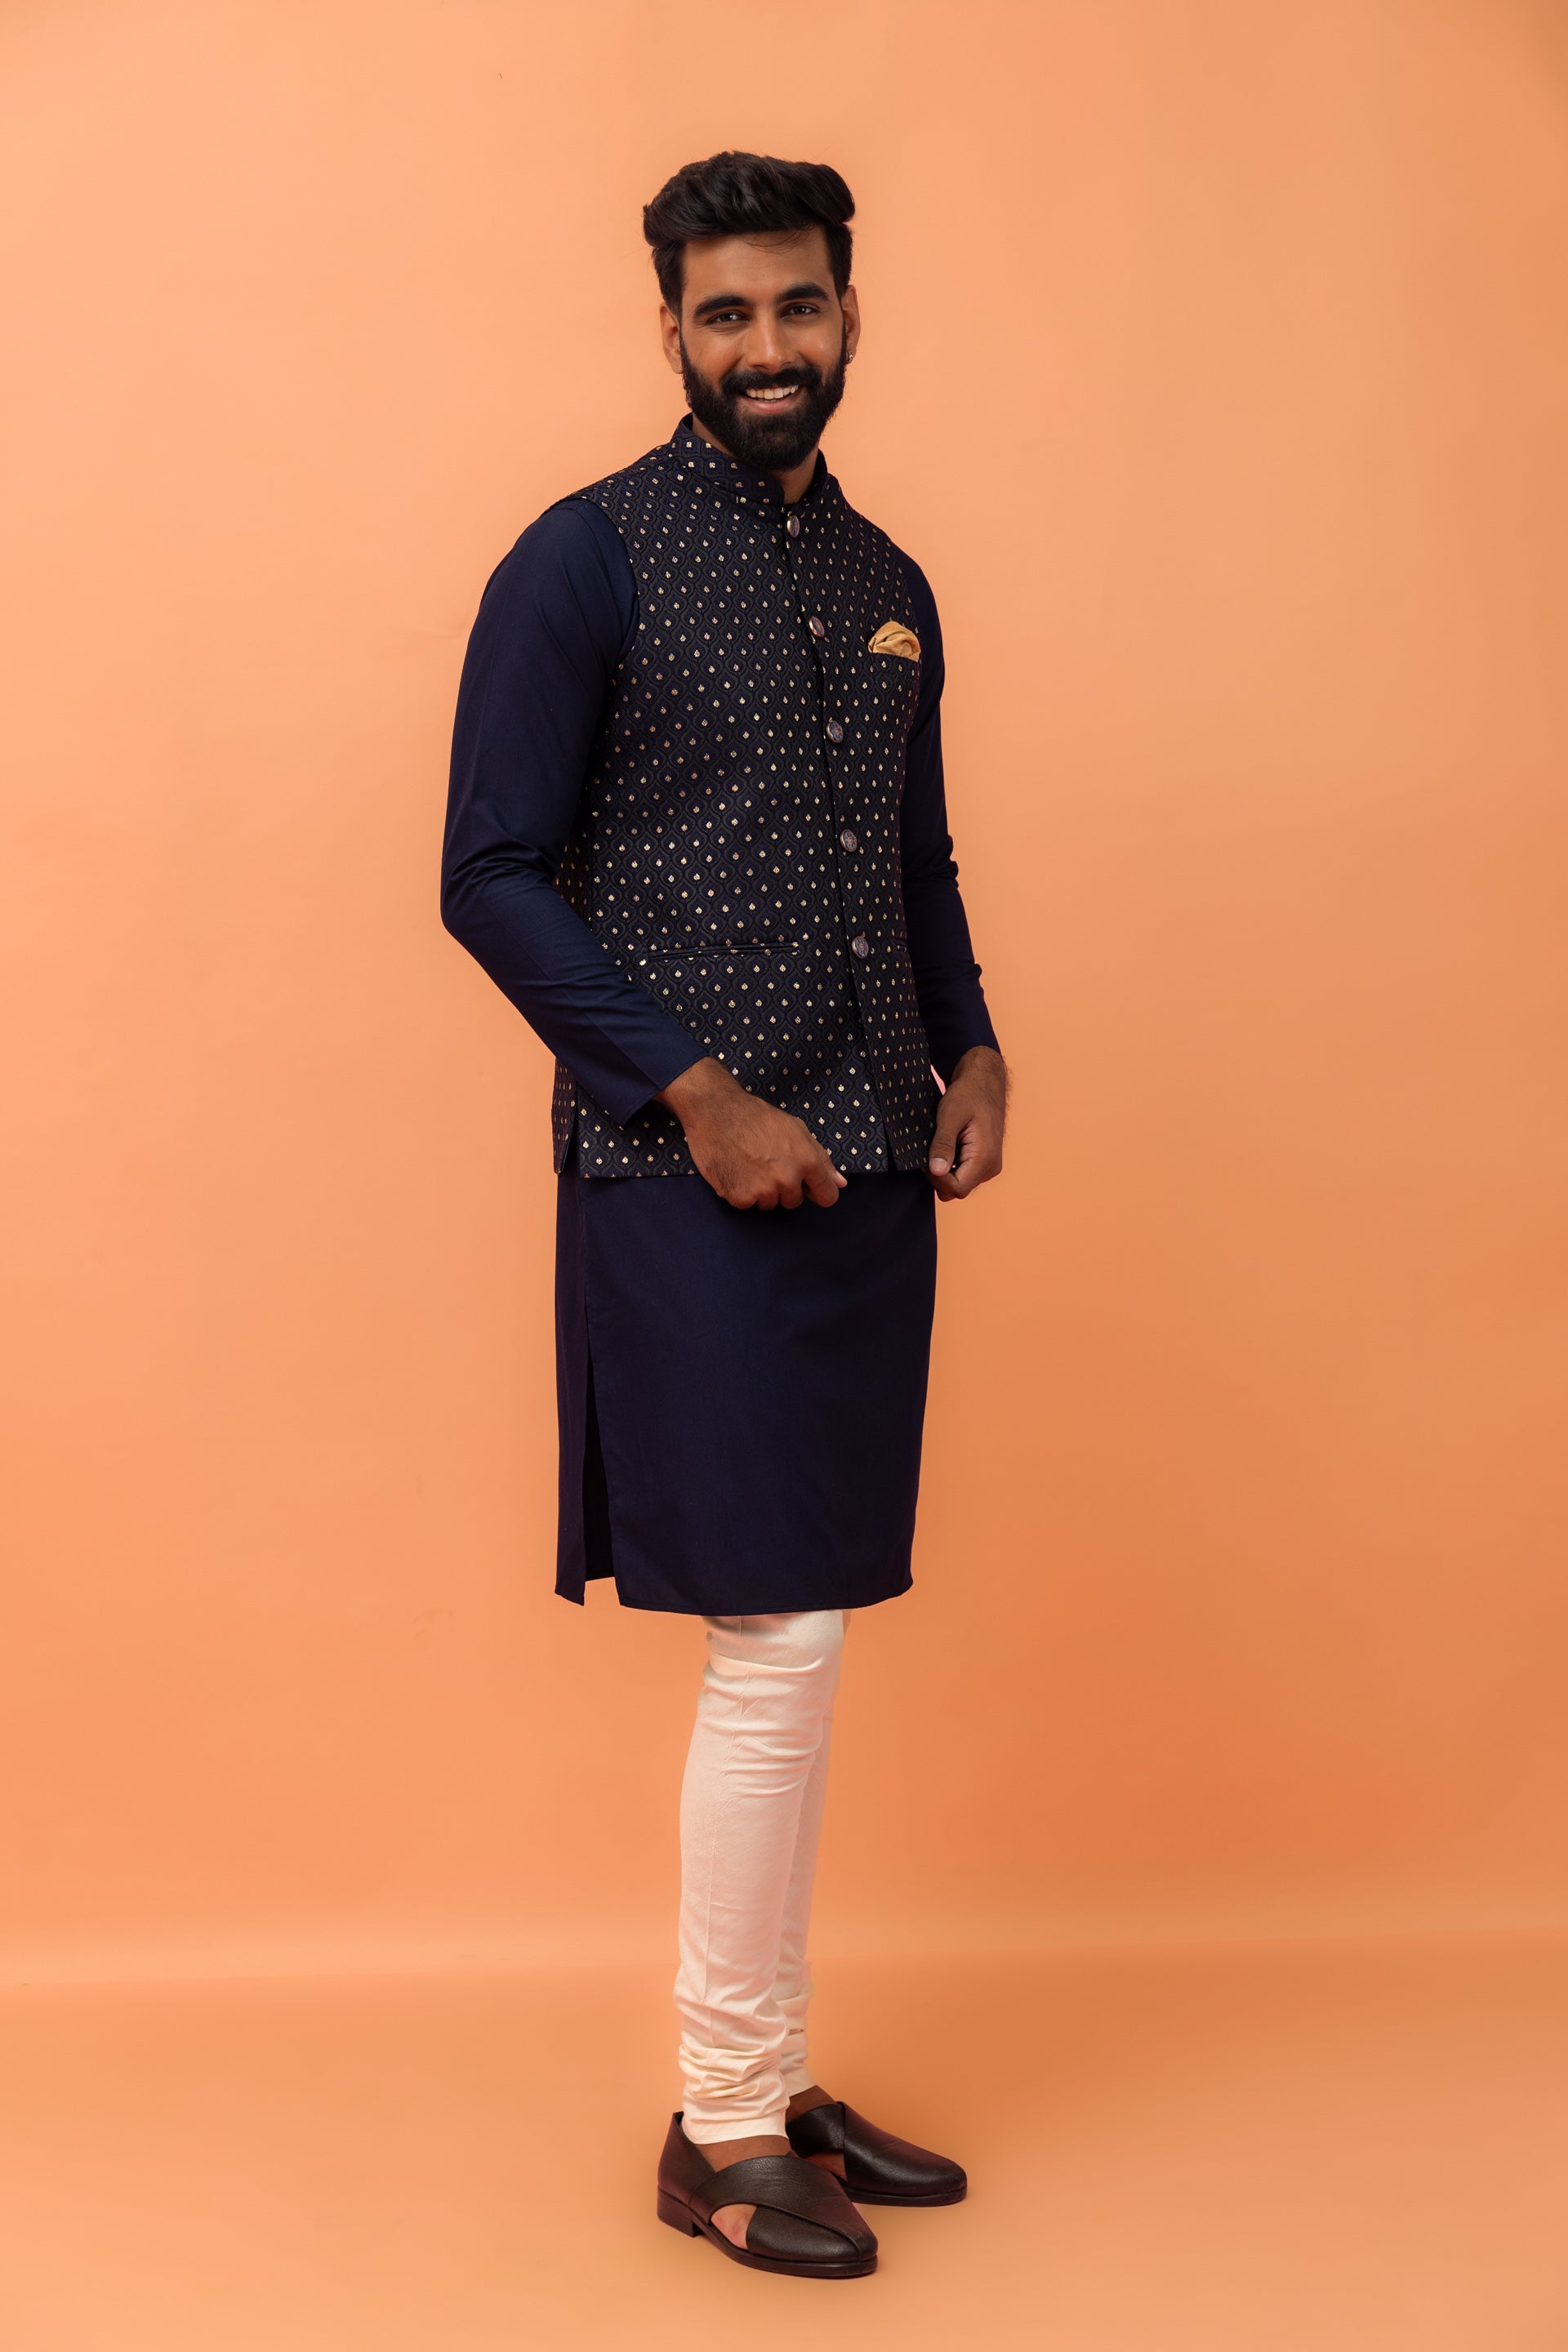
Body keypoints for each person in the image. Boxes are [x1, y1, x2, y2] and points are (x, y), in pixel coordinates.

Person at [441, 151, 1006, 2282]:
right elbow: (488, 872)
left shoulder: (889, 577)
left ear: (851, 313)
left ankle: (769, 2076)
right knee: (774, 1645)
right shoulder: (581, 560)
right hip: (684, 1174)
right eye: (726, 315)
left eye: (799, 307)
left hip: (873, 1172)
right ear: (671, 330)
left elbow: (909, 856)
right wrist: (695, 1095)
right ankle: (721, 2117)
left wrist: (976, 1045)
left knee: (810, 1635)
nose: (767, 348)